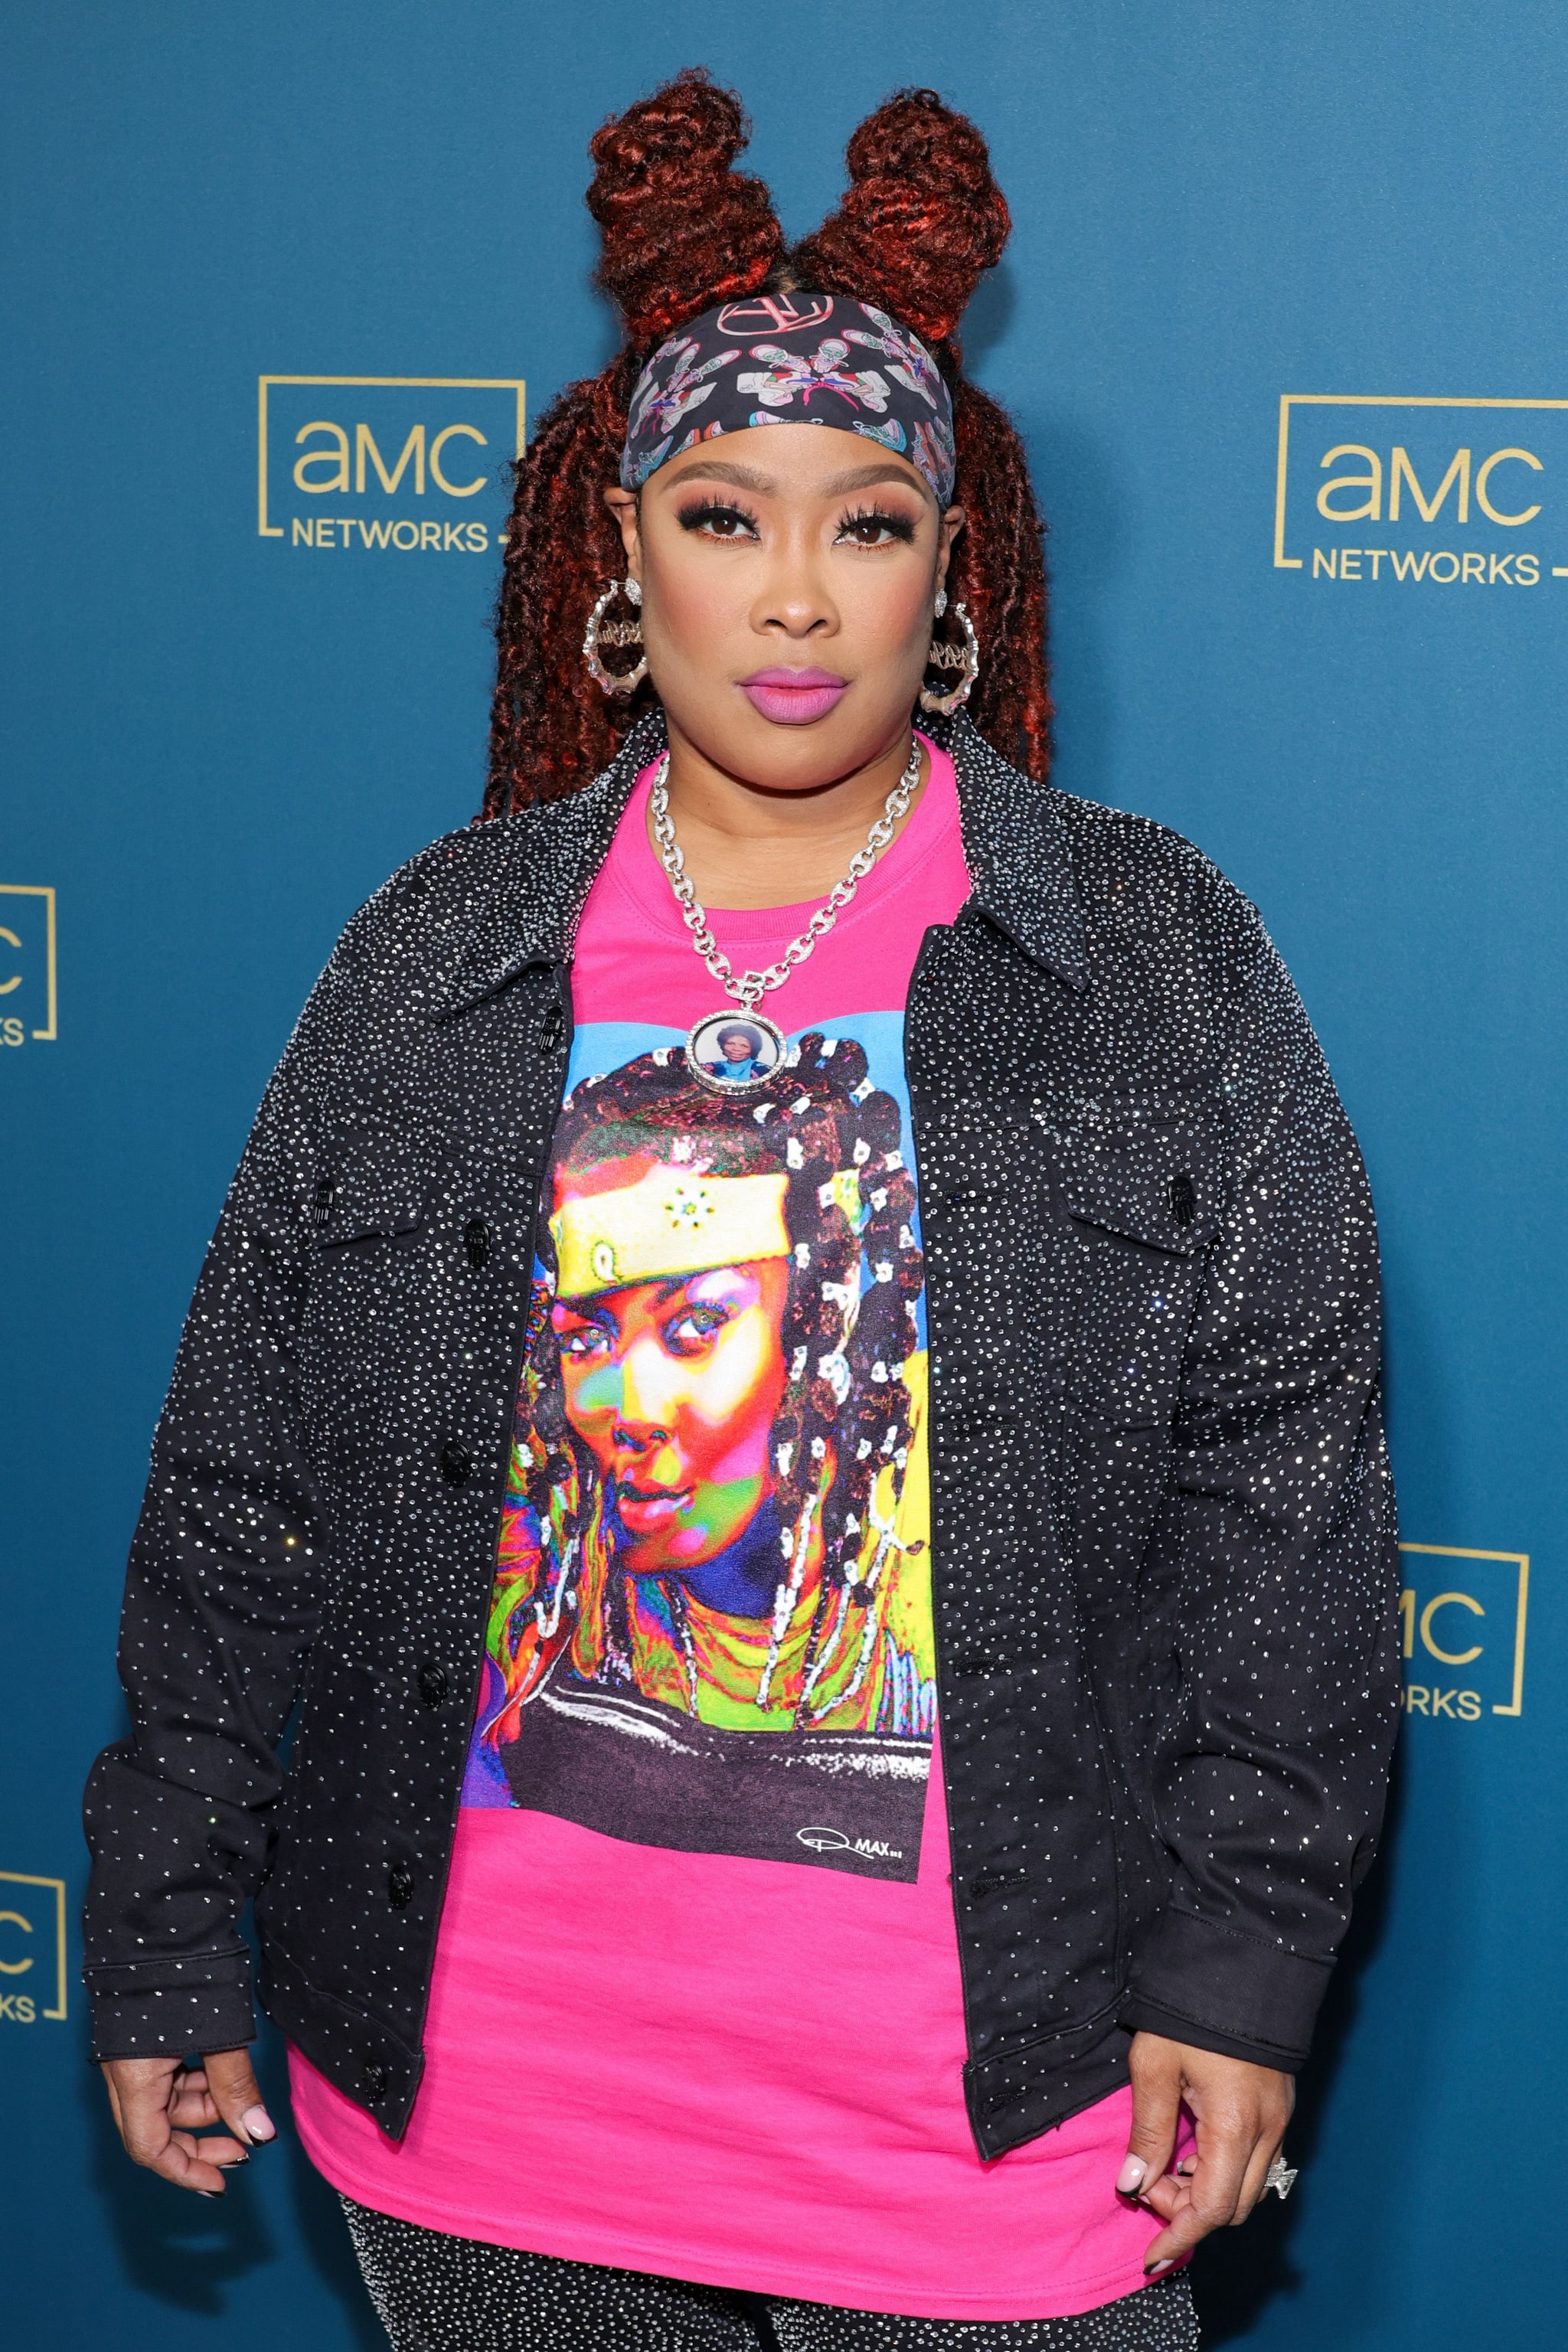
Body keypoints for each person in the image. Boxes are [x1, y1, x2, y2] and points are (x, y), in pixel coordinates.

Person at [85, 70, 1400, 2352]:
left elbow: (1284, 1504)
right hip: (495, 2135)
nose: (795, 598)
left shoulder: (1150, 959)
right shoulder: (437, 951)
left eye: (868, 523)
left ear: (951, 566)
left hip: (999, 2141)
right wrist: (174, 1917)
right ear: (618, 554)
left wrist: (1242, 1958)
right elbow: (242, 1483)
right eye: (722, 513)